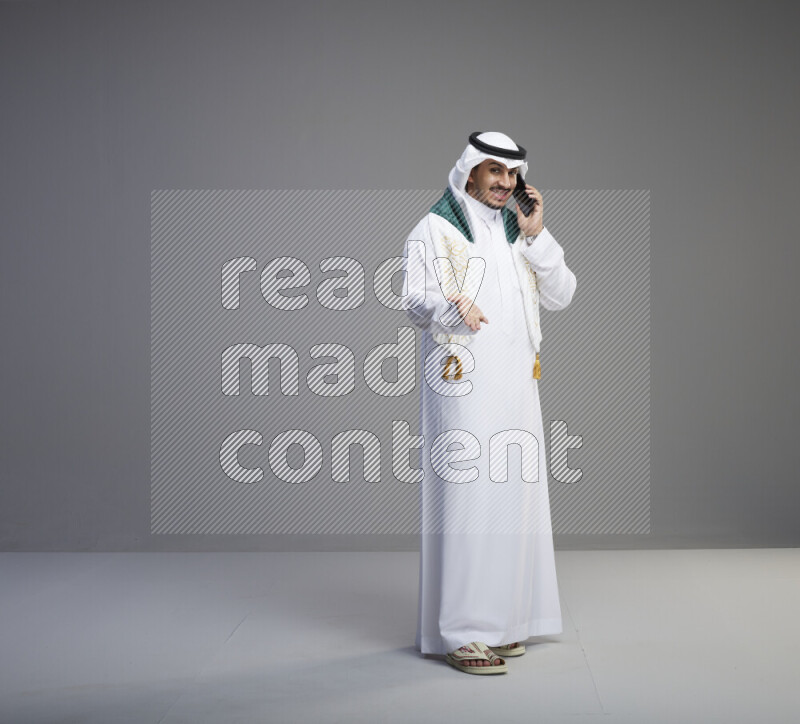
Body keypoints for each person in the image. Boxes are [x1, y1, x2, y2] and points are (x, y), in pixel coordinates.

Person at [401, 131, 577, 675]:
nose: (505, 183)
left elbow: (563, 294)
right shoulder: (436, 228)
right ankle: (463, 632)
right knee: (469, 499)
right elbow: (415, 302)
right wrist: (455, 309)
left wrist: (538, 234)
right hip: (462, 383)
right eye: (494, 171)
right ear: (471, 171)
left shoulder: (520, 231)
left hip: (518, 383)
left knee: (514, 499)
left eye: (512, 173)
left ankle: (501, 625)